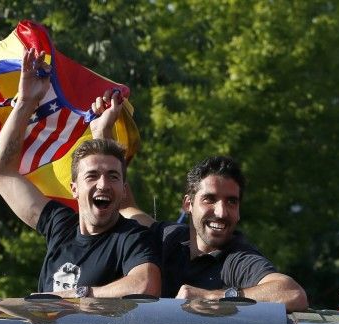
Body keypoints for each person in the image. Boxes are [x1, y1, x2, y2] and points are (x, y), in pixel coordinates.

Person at [91, 89, 308, 312]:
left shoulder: (237, 258)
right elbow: (124, 203)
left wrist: (215, 296)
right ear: (188, 204)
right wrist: (103, 130)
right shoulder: (168, 237)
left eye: (231, 201)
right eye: (210, 199)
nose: (221, 212)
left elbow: (293, 293)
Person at [0, 47, 161, 298]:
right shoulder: (60, 226)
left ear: (123, 189)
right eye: (92, 176)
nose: (103, 184)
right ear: (74, 188)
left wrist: (76, 296)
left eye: (113, 176)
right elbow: (1, 172)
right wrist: (26, 102)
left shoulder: (131, 237)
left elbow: (145, 285)